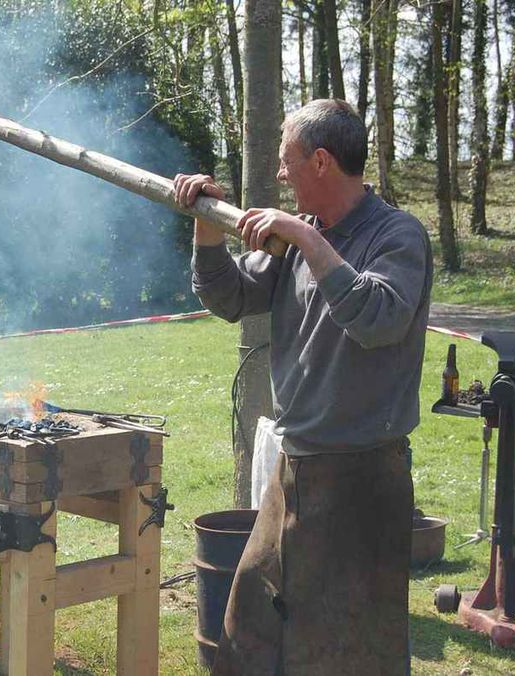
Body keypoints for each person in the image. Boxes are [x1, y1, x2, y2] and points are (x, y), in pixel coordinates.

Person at [175, 98, 432, 675]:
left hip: (363, 479)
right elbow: (233, 297)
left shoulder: (397, 235)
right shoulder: (301, 236)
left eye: (287, 161)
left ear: (320, 161)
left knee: (351, 648)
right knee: (250, 630)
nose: (279, 175)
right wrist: (207, 227)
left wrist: (307, 241)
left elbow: (378, 319)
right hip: (296, 474)